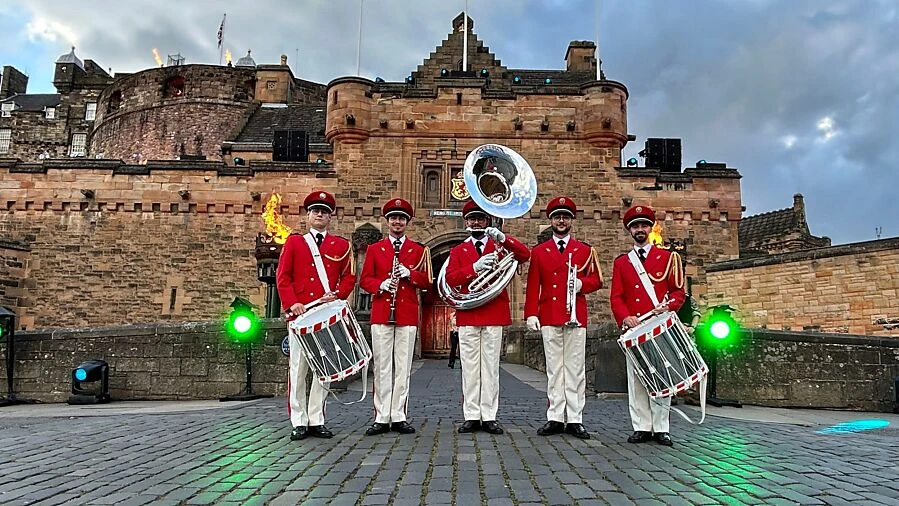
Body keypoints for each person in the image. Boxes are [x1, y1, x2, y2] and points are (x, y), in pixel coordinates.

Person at [276, 190, 356, 441]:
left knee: (324, 368)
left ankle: (317, 419)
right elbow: (283, 277)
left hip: (325, 314)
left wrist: (339, 295)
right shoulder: (294, 243)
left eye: (324, 211)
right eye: (315, 211)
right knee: (298, 369)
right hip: (300, 314)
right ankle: (299, 420)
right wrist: (293, 303)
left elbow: (350, 276)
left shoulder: (341, 245)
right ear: (308, 215)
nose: (319, 214)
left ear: (330, 217)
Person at [445, 200, 530, 435]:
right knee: (470, 368)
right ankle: (472, 415)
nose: (476, 222)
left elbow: (524, 254)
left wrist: (503, 238)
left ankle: (489, 415)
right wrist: (475, 267)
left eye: (480, 218)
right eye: (472, 219)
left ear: (487, 221)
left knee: (490, 368)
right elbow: (451, 279)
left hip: (493, 313)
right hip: (469, 314)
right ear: (466, 222)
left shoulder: (500, 247)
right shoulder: (458, 250)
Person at [524, 197, 603, 440]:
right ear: (551, 220)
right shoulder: (539, 252)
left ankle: (575, 418)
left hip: (575, 316)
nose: (561, 221)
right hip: (549, 314)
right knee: (554, 369)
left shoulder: (585, 250)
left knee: (576, 370)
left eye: (565, 217)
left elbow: (597, 280)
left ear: (572, 221)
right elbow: (533, 285)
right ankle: (555, 416)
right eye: (557, 217)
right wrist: (530, 314)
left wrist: (582, 283)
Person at [610, 204, 686, 447]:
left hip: (659, 324)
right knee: (637, 378)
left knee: (662, 375)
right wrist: (625, 317)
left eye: (644, 225)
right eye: (635, 226)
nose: (640, 229)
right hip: (635, 327)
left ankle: (661, 427)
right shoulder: (622, 263)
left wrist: (670, 307)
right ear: (629, 231)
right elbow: (617, 297)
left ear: (651, 228)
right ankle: (642, 426)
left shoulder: (667, 258)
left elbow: (678, 292)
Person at [359, 198, 433, 436]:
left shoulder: (419, 250)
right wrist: (381, 284)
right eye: (393, 218)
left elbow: (426, 281)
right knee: (382, 367)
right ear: (388, 221)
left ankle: (399, 415)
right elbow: (365, 280)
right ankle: (381, 416)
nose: (397, 222)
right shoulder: (374, 249)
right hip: (382, 312)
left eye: (401, 218)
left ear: (407, 222)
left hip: (407, 314)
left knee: (403, 367)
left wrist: (409, 273)